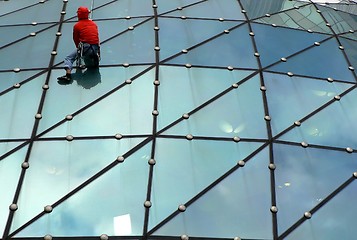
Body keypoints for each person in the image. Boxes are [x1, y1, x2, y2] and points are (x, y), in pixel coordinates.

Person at [58, 6, 100, 81]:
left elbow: (76, 39)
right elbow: (96, 37)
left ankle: (68, 75)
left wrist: (79, 51)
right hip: (95, 47)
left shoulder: (77, 26)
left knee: (69, 58)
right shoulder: (94, 24)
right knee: (91, 54)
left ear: (79, 15)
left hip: (85, 47)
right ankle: (95, 61)